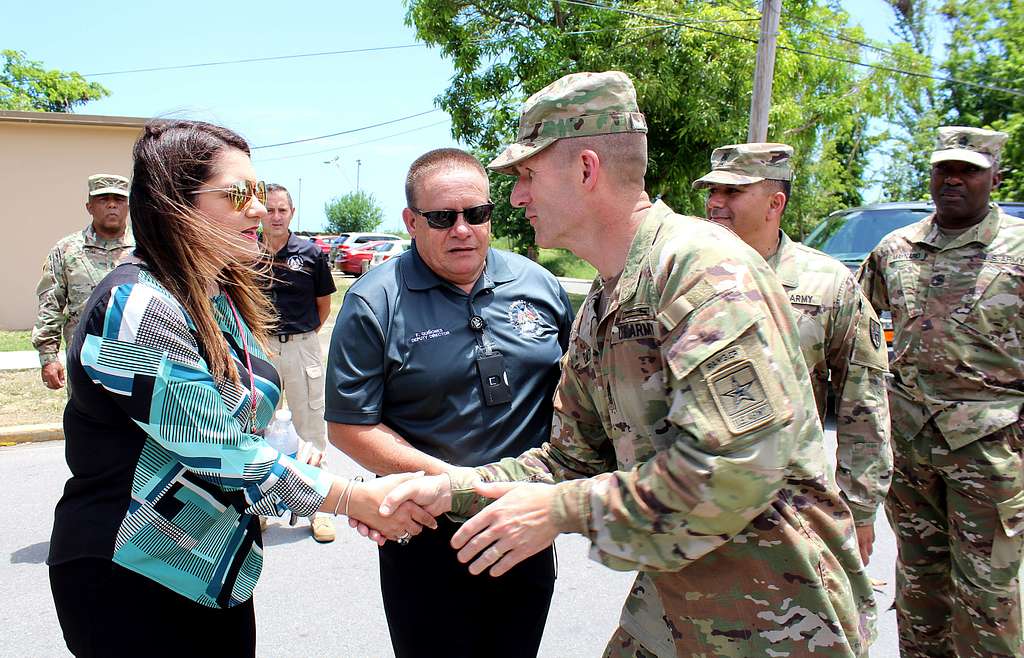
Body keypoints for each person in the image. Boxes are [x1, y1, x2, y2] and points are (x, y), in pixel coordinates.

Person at [381, 71, 878, 657]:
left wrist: (558, 512)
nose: (516, 197)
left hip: (777, 618)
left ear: (586, 169)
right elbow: (570, 459)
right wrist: (451, 487)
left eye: (528, 175)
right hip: (676, 609)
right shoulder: (608, 296)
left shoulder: (704, 273)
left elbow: (736, 469)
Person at [46, 119, 433, 658]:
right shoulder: (135, 306)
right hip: (131, 573)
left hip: (207, 567)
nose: (259, 208)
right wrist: (352, 500)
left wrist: (318, 469)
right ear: (174, 202)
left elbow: (253, 422)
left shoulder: (213, 294)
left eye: (259, 190)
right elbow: (218, 449)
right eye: (239, 194)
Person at [325, 147, 574, 658]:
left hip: (520, 523)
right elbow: (349, 427)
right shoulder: (375, 301)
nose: (462, 229)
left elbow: (574, 395)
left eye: (476, 214)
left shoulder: (540, 286)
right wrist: (455, 486)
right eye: (442, 218)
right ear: (411, 222)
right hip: (425, 532)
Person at [857, 126, 1024, 657]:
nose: (953, 179)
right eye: (943, 169)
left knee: (987, 598)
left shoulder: (1018, 251)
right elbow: (854, 332)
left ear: (994, 177)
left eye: (968, 170)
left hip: (991, 450)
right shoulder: (896, 250)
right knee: (919, 587)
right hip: (910, 448)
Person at [694, 142, 892, 564]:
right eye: (713, 191)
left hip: (790, 510)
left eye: (732, 192)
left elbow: (865, 402)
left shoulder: (827, 285)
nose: (715, 202)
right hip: (693, 503)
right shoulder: (681, 276)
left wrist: (858, 510)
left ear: (774, 202)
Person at [261, 183, 337, 542]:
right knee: (258, 427)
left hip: (301, 347)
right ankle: (261, 508)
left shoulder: (309, 253)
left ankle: (317, 509)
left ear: (292, 213)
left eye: (282, 210)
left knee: (309, 426)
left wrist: (300, 338)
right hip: (258, 350)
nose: (275, 217)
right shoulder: (244, 252)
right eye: (269, 209)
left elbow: (323, 304)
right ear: (260, 213)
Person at [32, 174, 135, 392]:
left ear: (128, 205)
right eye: (103, 199)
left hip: (135, 358)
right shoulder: (66, 250)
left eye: (118, 199)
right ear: (89, 207)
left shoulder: (146, 249)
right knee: (85, 423)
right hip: (85, 359)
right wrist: (48, 357)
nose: (111, 205)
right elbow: (50, 304)